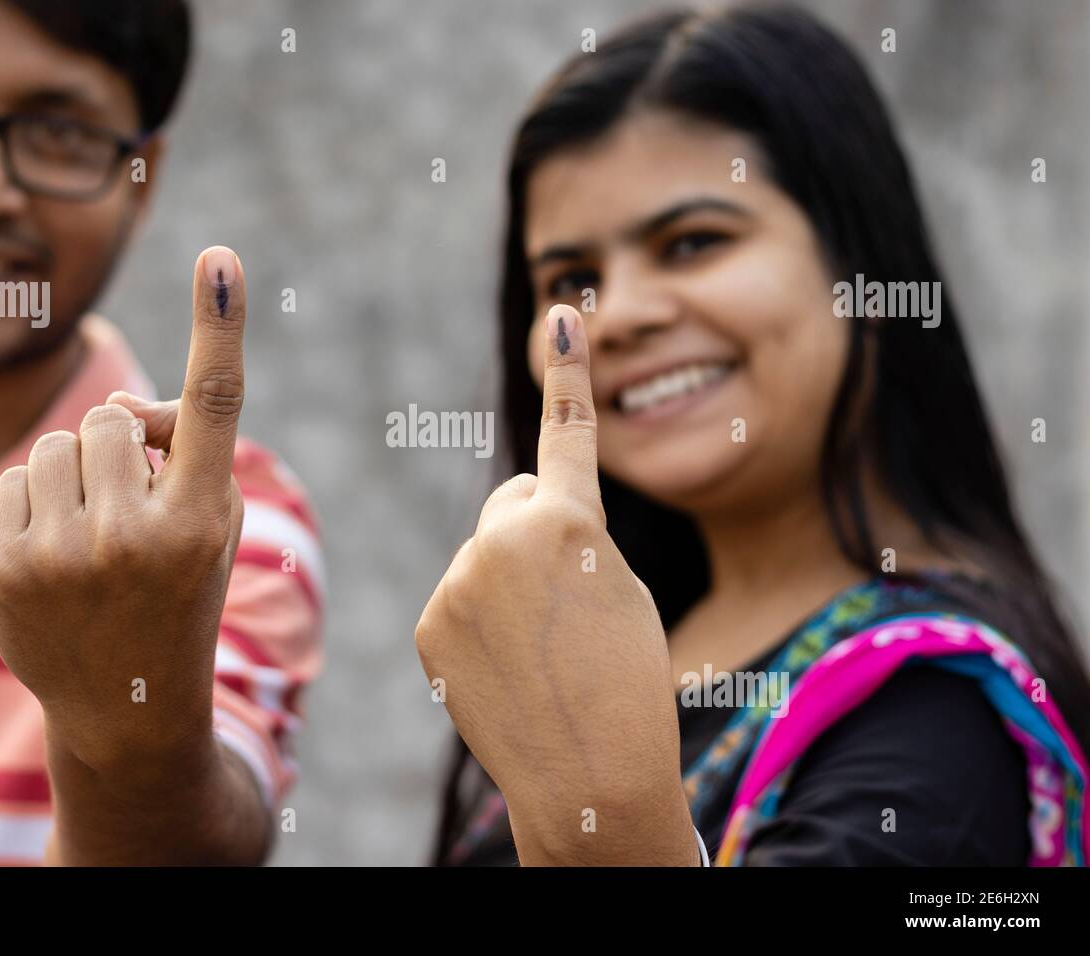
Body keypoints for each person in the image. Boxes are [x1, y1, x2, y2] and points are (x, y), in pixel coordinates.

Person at [417, 5, 1090, 866]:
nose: (615, 315)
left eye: (693, 242)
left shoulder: (940, 721)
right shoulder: (609, 647)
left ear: (863, 269)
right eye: (573, 277)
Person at [0, 0, 322, 864]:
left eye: (59, 133)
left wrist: (132, 729)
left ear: (140, 180)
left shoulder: (221, 527)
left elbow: (204, 835)